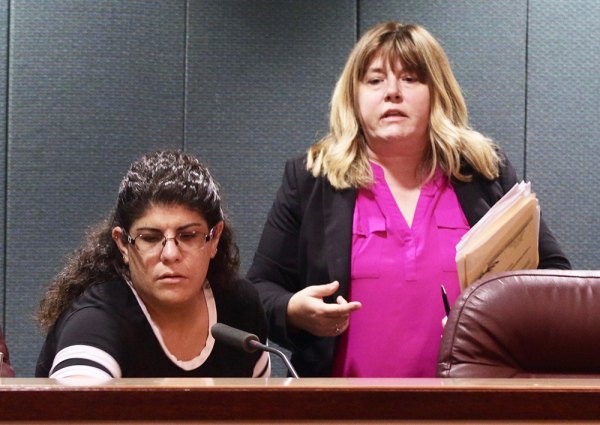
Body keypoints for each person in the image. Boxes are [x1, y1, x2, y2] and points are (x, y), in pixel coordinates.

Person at [247, 21, 571, 378]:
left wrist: (498, 314)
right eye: (374, 80)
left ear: (437, 91)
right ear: (353, 97)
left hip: (475, 405)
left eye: (410, 78)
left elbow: (555, 280)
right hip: (341, 410)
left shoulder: (484, 173)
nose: (392, 92)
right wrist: (294, 309)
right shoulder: (311, 180)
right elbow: (258, 292)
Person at [36, 150, 270, 379]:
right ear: (122, 244)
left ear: (214, 238)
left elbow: (261, 414)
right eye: (150, 238)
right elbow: (71, 414)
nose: (170, 254)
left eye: (188, 235)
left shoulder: (241, 307)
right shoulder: (95, 321)